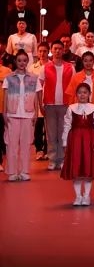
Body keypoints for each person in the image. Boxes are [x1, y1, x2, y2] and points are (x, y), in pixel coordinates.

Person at [60, 83, 94, 206]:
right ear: (76, 95)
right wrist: (65, 142)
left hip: (89, 142)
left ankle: (86, 195)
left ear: (89, 94)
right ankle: (78, 196)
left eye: (85, 92)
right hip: (75, 142)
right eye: (79, 93)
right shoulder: (71, 108)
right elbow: (67, 126)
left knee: (88, 169)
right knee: (76, 169)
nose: (82, 95)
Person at [2, 50, 38, 182]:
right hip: (12, 114)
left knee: (26, 145)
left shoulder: (34, 78)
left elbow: (36, 97)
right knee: (11, 144)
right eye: (19, 60)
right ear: (15, 62)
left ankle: (24, 171)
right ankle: (12, 172)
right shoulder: (9, 78)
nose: (22, 63)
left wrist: (36, 112)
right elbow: (5, 97)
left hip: (28, 114)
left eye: (24, 60)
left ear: (27, 62)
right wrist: (4, 112)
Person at [39, 41, 74, 171]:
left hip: (65, 105)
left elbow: (74, 87)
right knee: (51, 134)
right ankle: (52, 159)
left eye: (60, 48)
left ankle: (63, 159)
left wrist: (73, 105)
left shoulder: (70, 67)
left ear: (63, 50)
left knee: (63, 133)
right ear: (51, 50)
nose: (58, 51)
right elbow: (39, 87)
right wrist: (40, 104)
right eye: (55, 48)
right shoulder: (45, 67)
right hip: (50, 105)